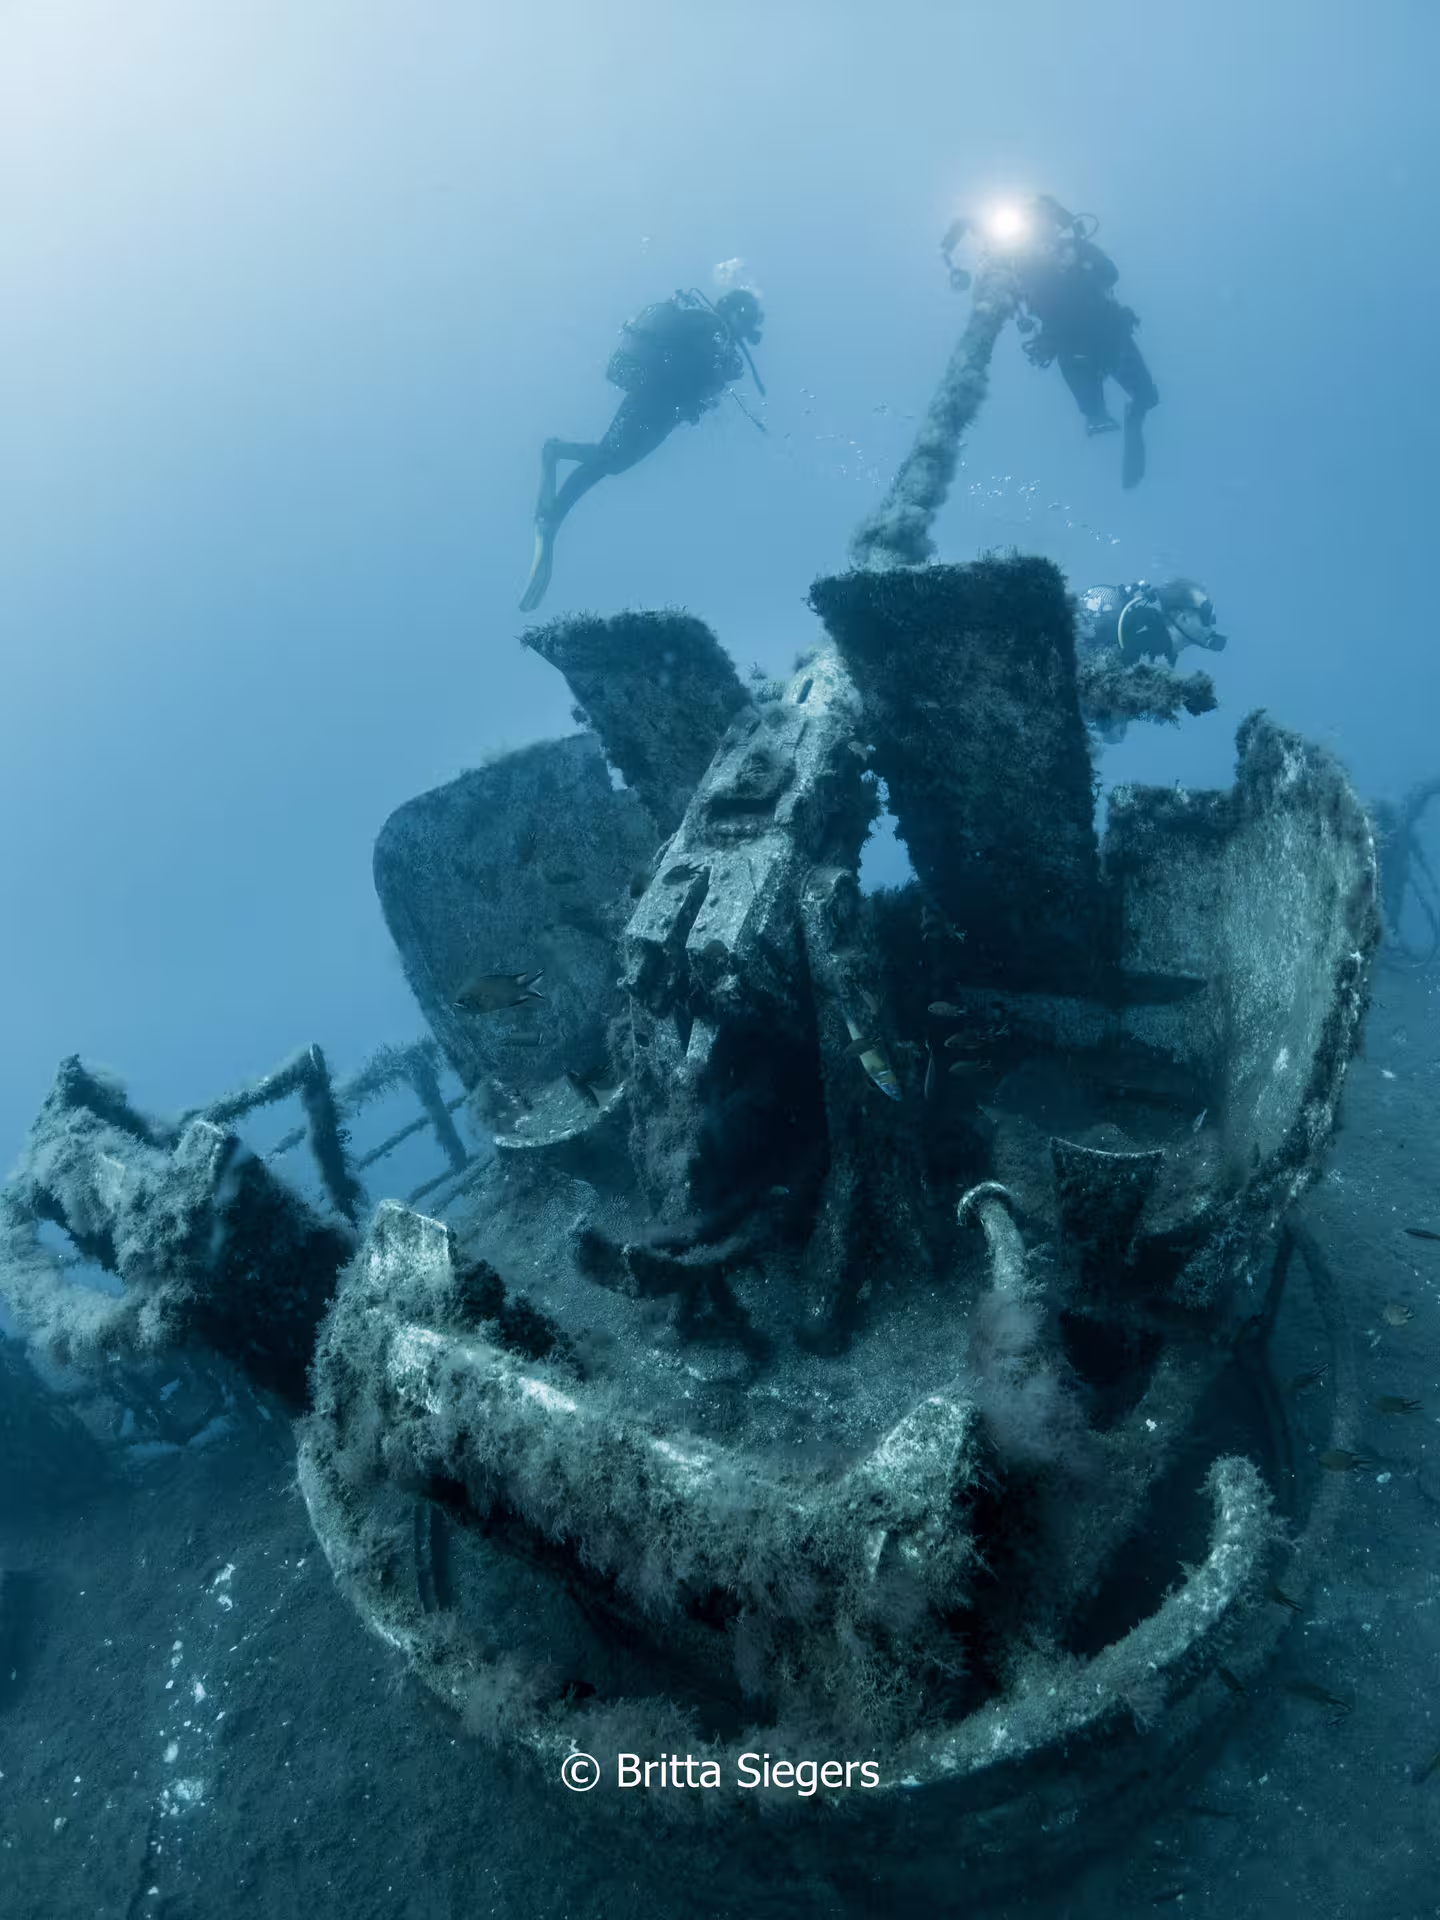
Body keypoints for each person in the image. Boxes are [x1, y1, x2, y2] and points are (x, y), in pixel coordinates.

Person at [519, 287, 765, 612]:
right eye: (746, 319)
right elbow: (688, 372)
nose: (747, 331)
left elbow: (697, 381)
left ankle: (553, 517)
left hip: (662, 409)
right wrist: (707, 383)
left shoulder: (708, 329)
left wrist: (700, 396)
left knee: (610, 463)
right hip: (652, 400)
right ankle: (555, 456)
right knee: (610, 459)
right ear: (735, 311)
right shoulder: (708, 326)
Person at [942, 195, 1159, 488]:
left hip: (1110, 331)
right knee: (1093, 410)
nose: (1037, 234)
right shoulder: (1018, 270)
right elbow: (999, 302)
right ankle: (1096, 414)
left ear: (1052, 227)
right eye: (1030, 228)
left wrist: (1082, 257)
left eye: (1042, 226)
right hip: (1067, 341)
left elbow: (1111, 274)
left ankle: (1134, 418)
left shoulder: (1075, 249)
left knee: (1147, 396)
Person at [1076, 578, 1227, 742]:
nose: (1212, 622)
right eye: (1205, 613)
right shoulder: (1146, 631)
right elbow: (1111, 682)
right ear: (1182, 617)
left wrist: (1112, 721)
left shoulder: (1163, 647)